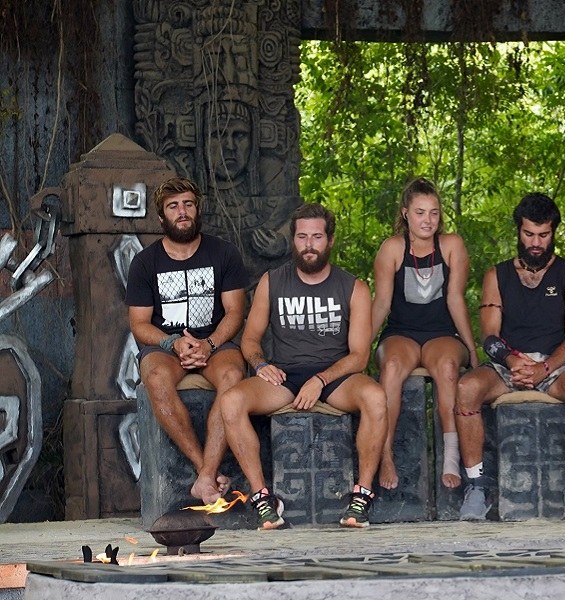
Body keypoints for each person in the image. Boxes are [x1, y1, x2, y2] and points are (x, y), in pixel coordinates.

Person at [218, 203, 388, 529]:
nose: (309, 245)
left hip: (336, 376)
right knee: (231, 401)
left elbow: (359, 356)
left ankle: (361, 499)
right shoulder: (272, 281)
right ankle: (263, 500)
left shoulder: (354, 287)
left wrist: (321, 379)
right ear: (293, 240)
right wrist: (260, 364)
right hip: (285, 375)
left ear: (330, 240)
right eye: (302, 237)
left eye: (317, 237)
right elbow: (250, 339)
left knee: (376, 397)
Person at [455, 193, 565, 521]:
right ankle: (476, 487)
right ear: (518, 231)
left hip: (556, 364)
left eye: (543, 235)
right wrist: (512, 361)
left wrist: (545, 367)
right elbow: (489, 337)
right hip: (509, 364)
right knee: (466, 388)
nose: (535, 242)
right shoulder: (497, 275)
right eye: (529, 234)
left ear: (554, 232)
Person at [125, 176, 248, 505]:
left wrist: (209, 344)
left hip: (216, 344)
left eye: (188, 204)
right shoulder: (145, 263)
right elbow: (139, 324)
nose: (182, 212)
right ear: (161, 216)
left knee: (232, 376)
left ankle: (205, 476)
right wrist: (174, 343)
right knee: (155, 377)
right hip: (166, 347)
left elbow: (235, 312)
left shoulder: (224, 253)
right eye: (173, 206)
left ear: (198, 209)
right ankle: (204, 470)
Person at [370, 178, 478, 491]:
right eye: (420, 212)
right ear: (406, 213)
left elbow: (455, 299)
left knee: (447, 367)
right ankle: (385, 453)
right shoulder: (392, 248)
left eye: (433, 212)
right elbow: (382, 303)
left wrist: (472, 349)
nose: (427, 220)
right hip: (401, 332)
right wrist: (359, 349)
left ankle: (451, 456)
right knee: (391, 367)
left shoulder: (451, 245)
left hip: (441, 333)